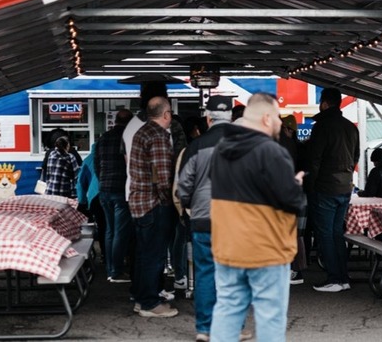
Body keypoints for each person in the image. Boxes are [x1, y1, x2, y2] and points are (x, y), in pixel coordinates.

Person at [209, 93, 306, 342]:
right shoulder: (271, 152)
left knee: (227, 311)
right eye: (276, 116)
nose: (279, 122)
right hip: (266, 248)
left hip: (228, 246)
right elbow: (294, 202)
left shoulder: (221, 151)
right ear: (266, 118)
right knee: (270, 316)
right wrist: (295, 184)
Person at [178, 95, 253, 342]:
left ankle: (205, 329)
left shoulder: (196, 146)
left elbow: (183, 185)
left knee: (205, 273)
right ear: (231, 117)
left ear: (208, 119)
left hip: (203, 219)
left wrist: (190, 205)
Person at [304, 87, 359, 293]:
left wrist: (312, 186)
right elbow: (355, 157)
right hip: (345, 186)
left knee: (325, 234)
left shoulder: (322, 126)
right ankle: (343, 277)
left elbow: (314, 159)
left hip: (325, 187)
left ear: (325, 103)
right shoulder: (351, 127)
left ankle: (334, 278)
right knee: (337, 233)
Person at [128, 96, 179, 318]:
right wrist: (170, 202)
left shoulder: (142, 132)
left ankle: (140, 298)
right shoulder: (158, 136)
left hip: (139, 202)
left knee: (143, 254)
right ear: (166, 114)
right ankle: (150, 303)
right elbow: (162, 176)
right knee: (154, 256)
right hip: (154, 204)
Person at [94, 109, 134, 283]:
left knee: (109, 231)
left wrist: (103, 180)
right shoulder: (128, 138)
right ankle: (116, 271)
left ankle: (110, 269)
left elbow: (96, 164)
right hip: (120, 190)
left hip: (104, 190)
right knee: (119, 232)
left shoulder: (103, 138)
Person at [279, 114, 307, 285]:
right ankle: (296, 269)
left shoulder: (283, 144)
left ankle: (293, 270)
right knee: (297, 233)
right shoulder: (298, 146)